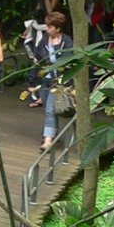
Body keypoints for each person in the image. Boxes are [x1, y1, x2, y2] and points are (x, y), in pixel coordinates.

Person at [40, 11, 74, 150]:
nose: (47, 29)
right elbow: (38, 57)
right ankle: (53, 134)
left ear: (58, 28)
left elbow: (67, 60)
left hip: (58, 82)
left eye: (50, 27)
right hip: (45, 80)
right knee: (48, 109)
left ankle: (48, 140)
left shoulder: (67, 42)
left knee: (50, 110)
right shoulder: (44, 40)